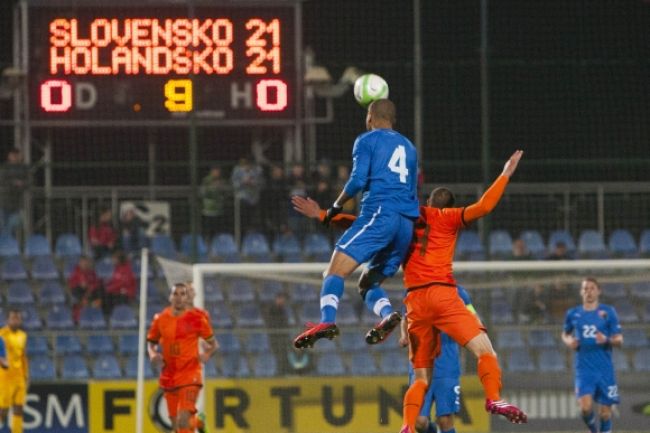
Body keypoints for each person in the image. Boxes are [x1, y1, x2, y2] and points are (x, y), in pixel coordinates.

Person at [292, 150, 527, 427]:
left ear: (427, 202)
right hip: (443, 293)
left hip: (415, 302)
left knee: (420, 379)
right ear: (450, 207)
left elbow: (361, 223)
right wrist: (505, 174)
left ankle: (406, 426)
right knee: (485, 351)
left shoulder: (409, 217)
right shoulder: (451, 219)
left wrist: (321, 214)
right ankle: (493, 398)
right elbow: (485, 206)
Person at [293, 99, 419, 349]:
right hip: (405, 224)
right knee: (367, 283)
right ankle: (386, 315)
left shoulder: (366, 140)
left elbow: (357, 179)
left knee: (333, 272)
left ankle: (327, 321)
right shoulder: (410, 147)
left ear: (370, 117)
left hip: (380, 214)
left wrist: (335, 207)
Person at [399, 286, 477, 433]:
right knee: (418, 421)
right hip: (420, 367)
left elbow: (473, 317)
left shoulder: (458, 292)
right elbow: (405, 318)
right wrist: (404, 336)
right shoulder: (413, 290)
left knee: (445, 420)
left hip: (447, 365)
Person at [147, 283, 218, 433]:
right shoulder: (161, 318)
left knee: (183, 418)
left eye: (186, 293)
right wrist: (153, 353)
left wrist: (206, 352)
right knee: (177, 426)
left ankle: (194, 421)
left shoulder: (200, 316)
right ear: (170, 297)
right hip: (170, 373)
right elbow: (152, 342)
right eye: (176, 294)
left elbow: (211, 342)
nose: (182, 297)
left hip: (192, 369)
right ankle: (198, 422)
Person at [562, 277, 623, 433]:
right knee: (585, 407)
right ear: (581, 292)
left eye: (592, 288)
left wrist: (606, 339)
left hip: (605, 369)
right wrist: (569, 341)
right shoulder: (573, 314)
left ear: (598, 291)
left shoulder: (608, 312)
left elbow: (619, 339)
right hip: (584, 368)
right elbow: (565, 334)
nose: (588, 291)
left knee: (605, 413)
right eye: (585, 289)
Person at [0, 308, 28, 433]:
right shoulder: (2, 335)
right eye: (13, 318)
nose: (15, 321)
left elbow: (23, 356)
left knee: (19, 408)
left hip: (19, 377)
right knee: (3, 410)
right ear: (8, 320)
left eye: (17, 318)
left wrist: (26, 375)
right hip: (5, 377)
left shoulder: (23, 335)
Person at [0, 148, 28, 237]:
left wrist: (22, 184)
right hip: (4, 202)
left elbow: (29, 182)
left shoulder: (23, 168)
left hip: (17, 203)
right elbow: (2, 181)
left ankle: (9, 244)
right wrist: (14, 183)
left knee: (14, 224)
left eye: (17, 155)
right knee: (4, 225)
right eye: (13, 155)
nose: (15, 157)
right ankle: (5, 245)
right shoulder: (5, 167)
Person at [231, 158, 264, 232]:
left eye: (248, 164)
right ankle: (242, 233)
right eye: (243, 165)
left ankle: (253, 233)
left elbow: (262, 184)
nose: (246, 167)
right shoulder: (237, 171)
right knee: (242, 219)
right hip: (242, 199)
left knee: (255, 219)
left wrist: (253, 183)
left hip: (254, 200)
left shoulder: (257, 171)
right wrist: (242, 182)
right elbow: (234, 185)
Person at [67, 256, 102, 323]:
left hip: (91, 291)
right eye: (83, 263)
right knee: (81, 297)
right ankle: (78, 318)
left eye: (86, 263)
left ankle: (94, 316)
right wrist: (80, 284)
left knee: (99, 295)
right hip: (79, 292)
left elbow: (97, 282)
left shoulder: (92, 272)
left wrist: (91, 287)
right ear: (80, 263)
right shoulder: (76, 272)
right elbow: (72, 284)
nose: (85, 264)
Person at [103, 251, 136, 316]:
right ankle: (108, 315)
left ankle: (112, 315)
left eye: (114, 259)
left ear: (119, 259)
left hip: (126, 292)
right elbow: (114, 280)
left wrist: (110, 288)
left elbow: (123, 283)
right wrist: (108, 284)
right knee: (104, 294)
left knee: (110, 297)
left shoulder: (126, 269)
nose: (112, 260)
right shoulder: (117, 268)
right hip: (117, 291)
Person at [200, 166, 229, 240]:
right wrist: (213, 188)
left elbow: (226, 193)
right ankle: (207, 244)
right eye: (215, 172)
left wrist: (221, 188)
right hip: (208, 210)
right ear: (212, 172)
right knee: (207, 230)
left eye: (218, 172)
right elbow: (203, 193)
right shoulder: (206, 180)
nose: (217, 173)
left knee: (218, 231)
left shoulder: (222, 181)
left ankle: (216, 245)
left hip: (219, 210)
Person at [266, 292, 291, 374]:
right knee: (278, 355)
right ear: (277, 299)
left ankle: (283, 371)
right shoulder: (271, 309)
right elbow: (272, 322)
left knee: (283, 355)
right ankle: (279, 371)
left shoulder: (283, 310)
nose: (282, 301)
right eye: (281, 299)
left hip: (282, 337)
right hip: (275, 337)